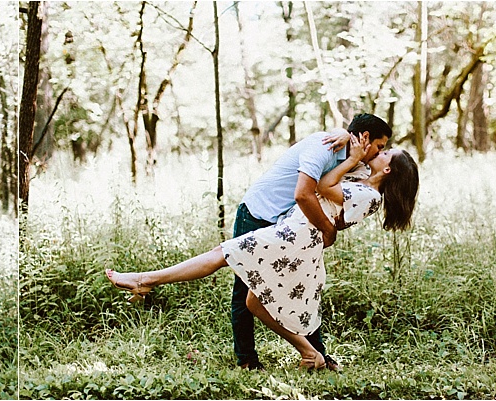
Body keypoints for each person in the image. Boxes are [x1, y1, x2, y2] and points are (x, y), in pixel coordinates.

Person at [106, 133, 419, 370]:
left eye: (385, 152)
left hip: (293, 239)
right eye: (382, 146)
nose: (378, 151)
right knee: (254, 301)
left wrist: (351, 161)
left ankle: (144, 280)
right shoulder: (364, 181)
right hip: (294, 238)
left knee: (222, 255)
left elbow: (323, 187)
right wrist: (345, 138)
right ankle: (310, 353)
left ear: (388, 170)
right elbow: (342, 156)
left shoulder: (370, 196)